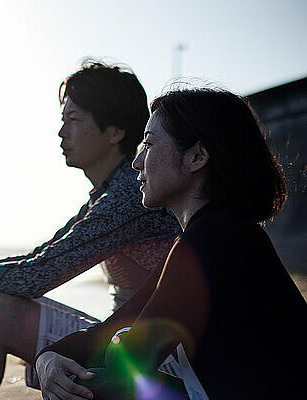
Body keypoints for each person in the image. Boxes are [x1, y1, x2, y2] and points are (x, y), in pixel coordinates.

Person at [0, 61, 180, 399]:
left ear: (115, 132)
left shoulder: (127, 195)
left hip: (162, 357)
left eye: (74, 121)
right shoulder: (111, 192)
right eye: (63, 121)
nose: (62, 133)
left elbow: (36, 274)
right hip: (134, 339)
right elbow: (40, 258)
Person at [35, 88, 307, 399]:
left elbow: (130, 356)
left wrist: (109, 346)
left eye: (148, 144)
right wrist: (48, 358)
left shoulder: (217, 239)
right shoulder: (211, 233)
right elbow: (112, 329)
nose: (137, 162)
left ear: (196, 156)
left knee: (92, 386)